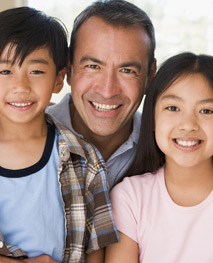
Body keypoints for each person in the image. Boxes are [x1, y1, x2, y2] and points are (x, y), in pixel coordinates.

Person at [0, 7, 119, 263]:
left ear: (59, 80)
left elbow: (95, 250)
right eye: (5, 71)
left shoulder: (85, 159)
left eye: (36, 71)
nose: (20, 86)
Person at [105, 52, 213, 262]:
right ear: (152, 118)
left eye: (207, 110)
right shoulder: (130, 197)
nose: (188, 124)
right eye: (173, 108)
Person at [47, 0, 157, 190]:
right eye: (93, 66)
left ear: (150, 75)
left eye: (127, 70)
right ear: (69, 68)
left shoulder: (167, 148)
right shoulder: (20, 136)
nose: (107, 91)